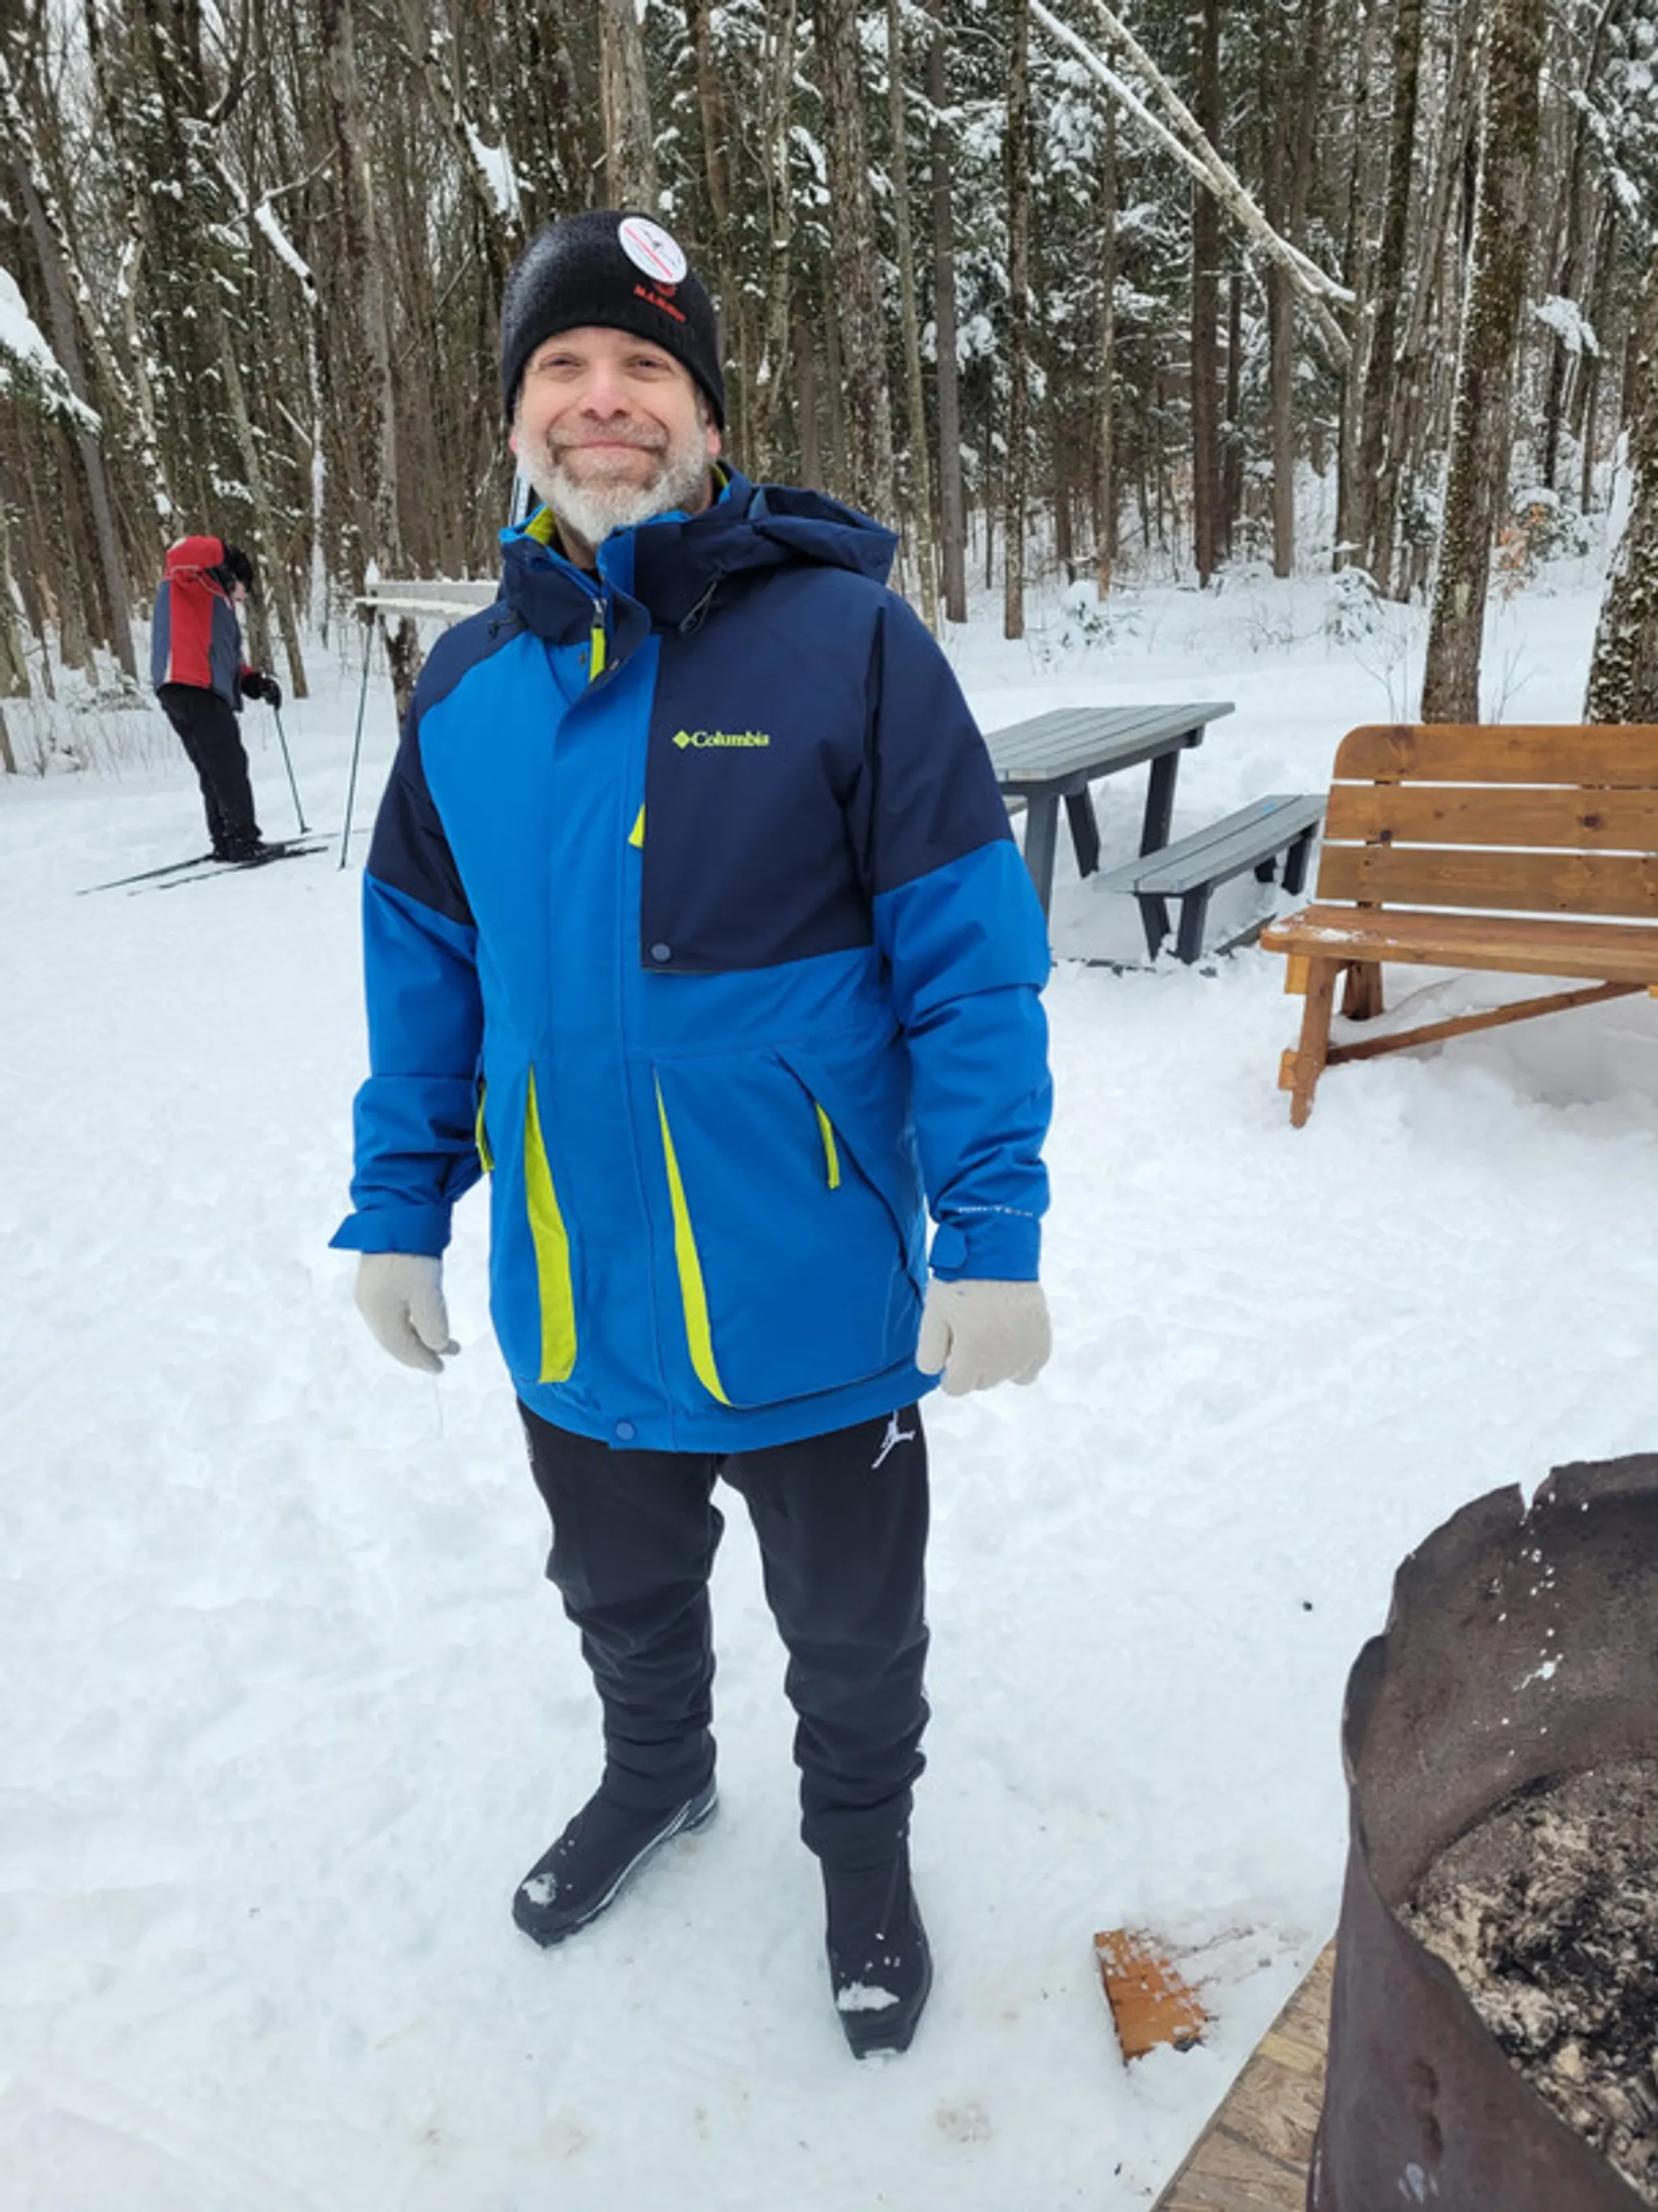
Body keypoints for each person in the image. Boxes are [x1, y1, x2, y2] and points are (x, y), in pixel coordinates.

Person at [331, 209, 1054, 2059]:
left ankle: (861, 1852)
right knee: (617, 1592)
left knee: (853, 1636)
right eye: (563, 367)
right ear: (516, 418)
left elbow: (967, 964)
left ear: (708, 415)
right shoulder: (466, 690)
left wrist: (989, 1229)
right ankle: (654, 1775)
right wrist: (397, 1205)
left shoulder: (848, 648)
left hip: (814, 1313)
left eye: (645, 366)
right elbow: (424, 974)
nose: (603, 402)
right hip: (573, 1310)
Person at [151, 534, 282, 861]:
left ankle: (225, 839)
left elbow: (226, 659)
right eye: (241, 590)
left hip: (185, 686)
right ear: (232, 576)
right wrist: (228, 552)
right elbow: (179, 552)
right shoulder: (191, 581)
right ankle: (243, 840)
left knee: (213, 768)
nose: (240, 599)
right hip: (191, 684)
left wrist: (255, 683)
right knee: (228, 765)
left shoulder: (215, 608)